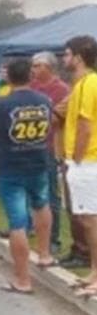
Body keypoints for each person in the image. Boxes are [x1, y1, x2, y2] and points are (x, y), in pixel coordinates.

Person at [0, 58, 55, 294]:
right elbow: (50, 126)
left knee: (17, 223)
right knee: (42, 205)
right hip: (38, 162)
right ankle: (44, 254)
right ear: (30, 76)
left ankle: (23, 280)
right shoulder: (45, 101)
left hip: (10, 167)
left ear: (9, 78)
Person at [61, 36, 97, 298]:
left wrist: (76, 157)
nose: (64, 59)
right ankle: (94, 270)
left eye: (66, 54)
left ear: (79, 57)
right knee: (86, 219)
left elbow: (85, 124)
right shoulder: (83, 84)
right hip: (86, 161)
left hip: (87, 161)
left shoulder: (88, 83)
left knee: (91, 220)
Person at [30, 51, 73, 260]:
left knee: (49, 193)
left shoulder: (61, 89)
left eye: (38, 66)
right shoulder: (31, 86)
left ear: (49, 67)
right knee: (29, 189)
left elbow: (57, 118)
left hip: (48, 146)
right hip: (28, 145)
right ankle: (29, 227)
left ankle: (54, 239)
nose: (34, 69)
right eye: (33, 66)